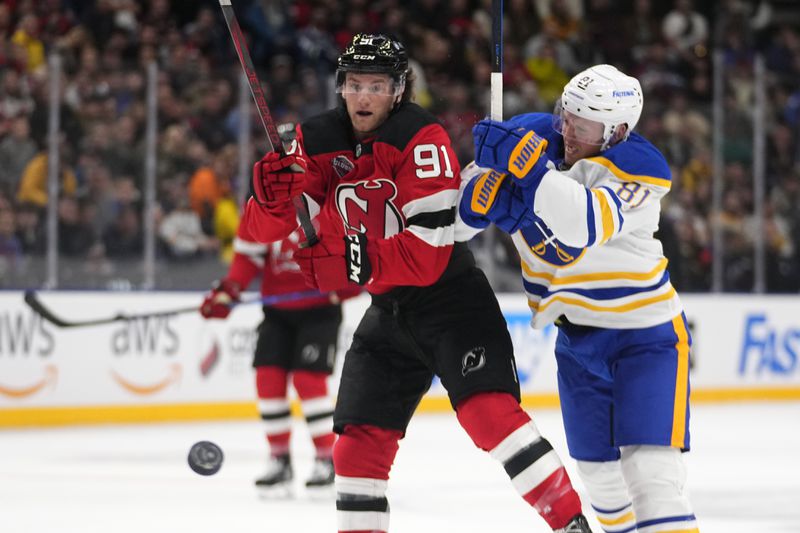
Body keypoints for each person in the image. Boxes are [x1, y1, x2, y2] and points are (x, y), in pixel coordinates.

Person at [238, 33, 593, 533]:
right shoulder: (315, 140)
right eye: (355, 84)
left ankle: (571, 523)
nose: (364, 97)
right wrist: (268, 199)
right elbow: (261, 231)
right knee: (356, 445)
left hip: (452, 303)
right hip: (388, 313)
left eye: (377, 86)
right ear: (341, 86)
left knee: (488, 416)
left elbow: (425, 260)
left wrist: (349, 260)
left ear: (399, 89)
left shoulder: (422, 139)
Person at [459, 64, 699, 533]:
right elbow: (457, 228)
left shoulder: (640, 167)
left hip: (645, 338)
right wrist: (472, 199)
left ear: (617, 131)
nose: (566, 130)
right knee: (601, 482)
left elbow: (581, 224)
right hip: (576, 342)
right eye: (564, 115)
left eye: (582, 125)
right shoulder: (535, 137)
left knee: (651, 476)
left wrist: (525, 175)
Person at [200, 222, 359, 492]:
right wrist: (229, 289)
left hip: (319, 312)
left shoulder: (328, 196)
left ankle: (326, 459)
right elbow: (248, 256)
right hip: (277, 311)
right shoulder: (265, 203)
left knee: (308, 381)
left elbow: (354, 253)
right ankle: (279, 458)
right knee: (267, 379)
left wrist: (347, 282)